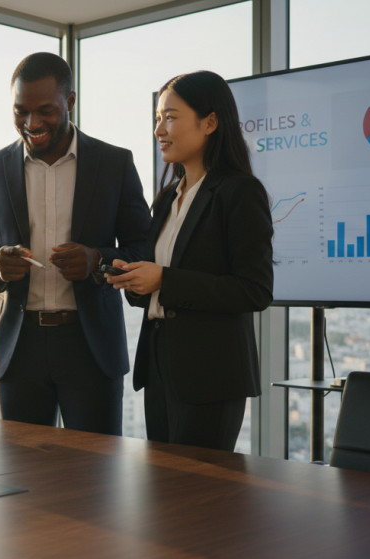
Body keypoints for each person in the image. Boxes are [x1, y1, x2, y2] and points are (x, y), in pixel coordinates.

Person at [0, 53, 151, 435]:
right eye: (20, 111)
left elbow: (144, 250)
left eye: (45, 110)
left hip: (90, 346)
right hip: (19, 350)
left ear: (70, 101)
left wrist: (99, 261)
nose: (31, 124)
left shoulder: (115, 163)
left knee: (96, 477)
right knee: (23, 479)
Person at [106, 70, 274, 451]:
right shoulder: (167, 198)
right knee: (164, 492)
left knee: (198, 496)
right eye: (156, 119)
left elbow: (255, 290)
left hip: (211, 373)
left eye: (170, 117)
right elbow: (154, 286)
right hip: (160, 364)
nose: (159, 130)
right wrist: (131, 279)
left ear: (210, 122)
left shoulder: (240, 192)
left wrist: (164, 280)